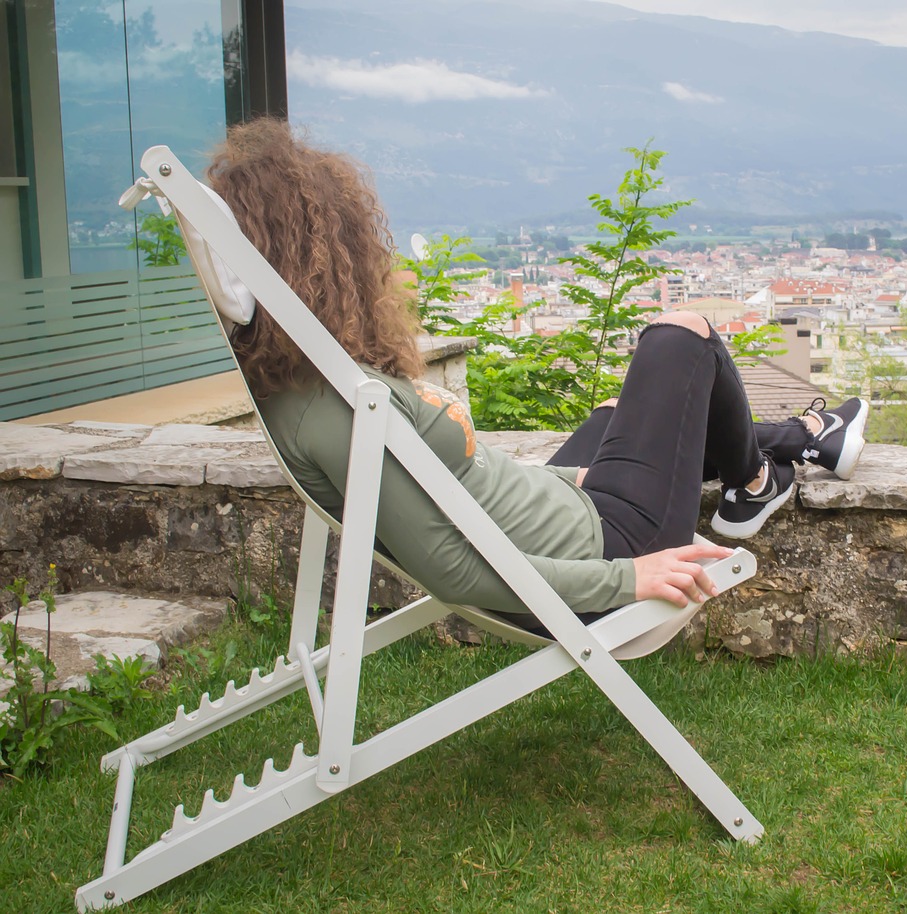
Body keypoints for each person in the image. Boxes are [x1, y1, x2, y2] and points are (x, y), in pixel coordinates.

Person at [206, 118, 868, 620]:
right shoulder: (341, 415)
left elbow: (469, 493)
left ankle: (793, 440)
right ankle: (757, 478)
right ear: (324, 255)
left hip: (565, 503)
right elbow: (455, 571)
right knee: (680, 336)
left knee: (617, 416)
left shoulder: (305, 384)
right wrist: (628, 580)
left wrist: (556, 477)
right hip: (612, 541)